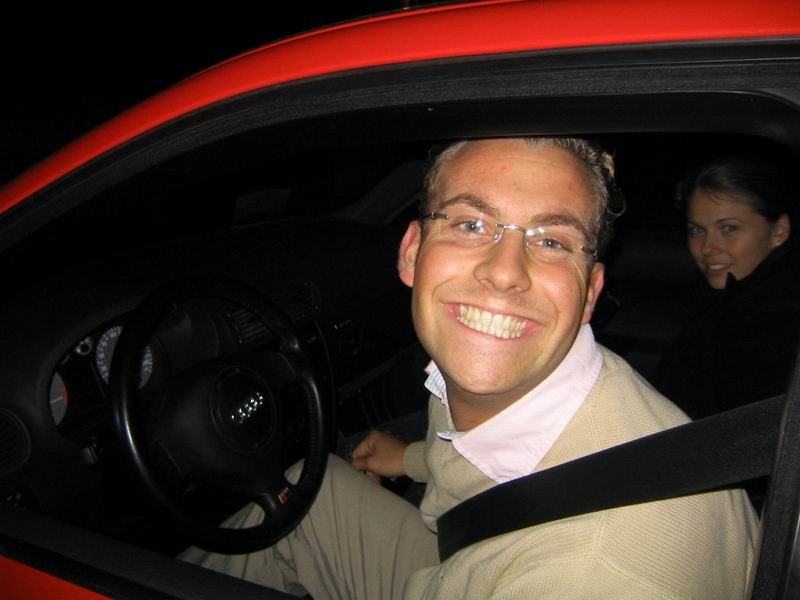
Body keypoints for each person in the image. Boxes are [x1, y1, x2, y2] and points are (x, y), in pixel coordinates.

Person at [182, 138, 758, 599]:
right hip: (465, 554)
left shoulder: (594, 575)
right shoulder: (518, 372)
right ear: (412, 251)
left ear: (590, 292)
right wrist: (411, 458)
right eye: (471, 224)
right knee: (310, 493)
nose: (504, 272)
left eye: (552, 241)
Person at [656, 154, 800, 419]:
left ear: (778, 231)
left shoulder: (778, 321)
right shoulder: (724, 301)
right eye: (697, 230)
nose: (707, 248)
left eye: (729, 229)